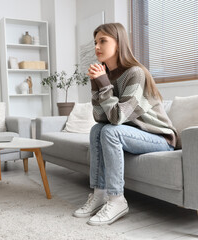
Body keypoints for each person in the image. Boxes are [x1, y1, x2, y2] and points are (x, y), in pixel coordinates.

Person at [73, 23, 177, 226]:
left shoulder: (135, 73)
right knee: (97, 130)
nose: (97, 47)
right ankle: (99, 194)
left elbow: (116, 118)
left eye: (103, 41)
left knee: (111, 132)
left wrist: (103, 84)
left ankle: (117, 199)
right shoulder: (106, 75)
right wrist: (98, 83)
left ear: (119, 44)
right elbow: (100, 118)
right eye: (95, 42)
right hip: (133, 132)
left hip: (160, 137)